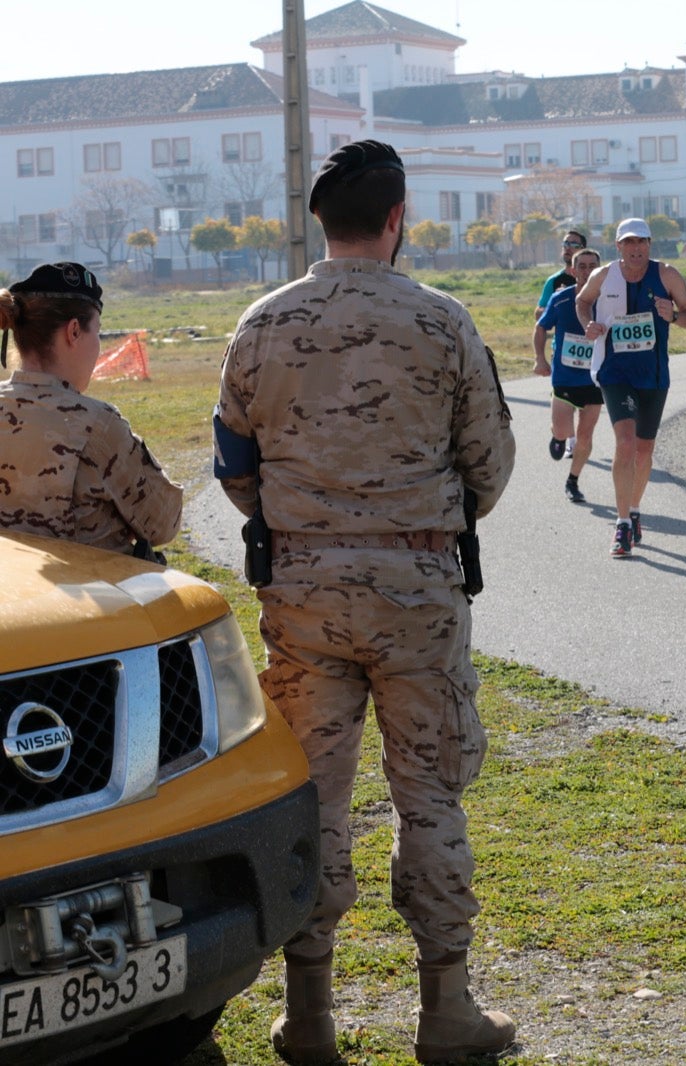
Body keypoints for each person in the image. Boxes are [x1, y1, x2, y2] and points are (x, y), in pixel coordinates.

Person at [214, 139, 517, 1065]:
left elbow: (233, 467)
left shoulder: (263, 322)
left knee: (313, 798)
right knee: (430, 797)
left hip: (303, 593)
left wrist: (307, 522)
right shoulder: (444, 321)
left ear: (320, 221)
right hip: (418, 589)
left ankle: (309, 1019)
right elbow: (490, 464)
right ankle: (447, 1011)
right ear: (397, 221)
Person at [0, 262, 181, 558]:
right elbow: (164, 523)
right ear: (73, 331)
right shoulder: (96, 426)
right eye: (97, 331)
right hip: (93, 599)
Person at [575, 217, 686, 558]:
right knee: (625, 443)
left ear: (649, 245)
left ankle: (636, 507)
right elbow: (582, 302)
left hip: (653, 375)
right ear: (618, 247)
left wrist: (673, 315)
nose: (636, 249)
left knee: (644, 451)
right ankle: (623, 522)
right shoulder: (604, 275)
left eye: (641, 242)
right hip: (615, 372)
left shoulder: (667, 275)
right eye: (628, 242)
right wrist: (590, 324)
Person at [535, 247, 605, 503]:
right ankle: (557, 436)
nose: (587, 271)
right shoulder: (561, 298)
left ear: (600, 269)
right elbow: (540, 328)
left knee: (586, 435)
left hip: (595, 378)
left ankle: (573, 480)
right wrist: (540, 359)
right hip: (565, 376)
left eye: (592, 266)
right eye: (582, 266)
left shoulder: (608, 299)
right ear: (574, 271)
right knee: (565, 431)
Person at [537, 229, 587, 319]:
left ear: (583, 250)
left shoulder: (595, 279)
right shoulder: (554, 280)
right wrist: (557, 300)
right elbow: (538, 315)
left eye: (574, 244)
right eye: (565, 244)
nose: (568, 248)